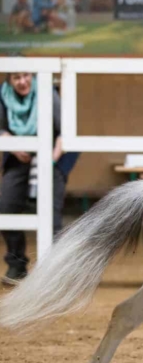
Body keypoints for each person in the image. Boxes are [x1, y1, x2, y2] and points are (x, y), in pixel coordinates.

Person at [0, 72, 79, 285]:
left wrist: (50, 160)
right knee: (6, 206)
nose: (22, 81)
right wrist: (16, 148)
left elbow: (65, 130)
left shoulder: (47, 92)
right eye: (16, 78)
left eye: (25, 76)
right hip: (19, 155)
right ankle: (16, 266)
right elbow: (2, 129)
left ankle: (54, 272)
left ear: (32, 77)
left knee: (50, 210)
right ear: (9, 81)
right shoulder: (3, 96)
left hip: (55, 153)